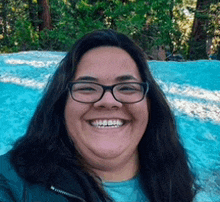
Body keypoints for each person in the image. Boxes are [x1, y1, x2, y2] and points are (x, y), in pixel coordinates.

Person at [0, 29, 199, 202]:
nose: (108, 101)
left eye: (127, 87)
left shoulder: (175, 179)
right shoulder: (12, 184)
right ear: (61, 104)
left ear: (149, 102)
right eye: (87, 88)